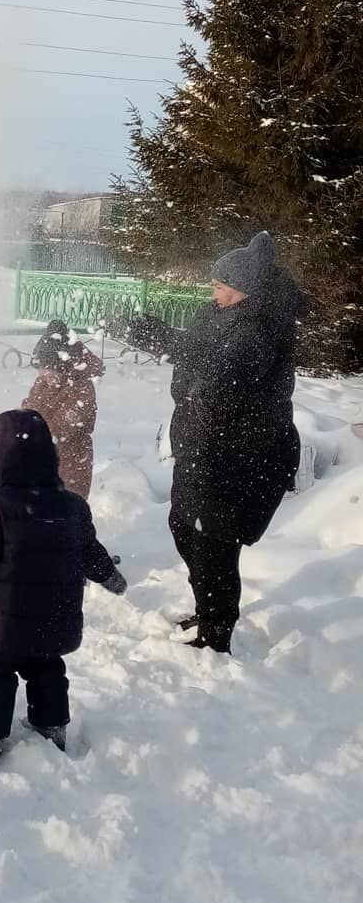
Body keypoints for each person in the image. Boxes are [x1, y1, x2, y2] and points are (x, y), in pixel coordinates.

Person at [123, 232, 306, 653]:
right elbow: (196, 348)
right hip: (205, 448)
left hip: (238, 457)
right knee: (185, 529)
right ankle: (209, 608)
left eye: (221, 286)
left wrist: (165, 348)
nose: (214, 292)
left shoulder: (257, 333)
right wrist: (152, 332)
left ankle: (217, 632)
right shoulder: (223, 317)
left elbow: (220, 372)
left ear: (243, 291)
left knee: (215, 546)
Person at [0, 409, 127, 760]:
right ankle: (52, 727)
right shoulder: (73, 505)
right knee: (48, 669)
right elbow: (90, 551)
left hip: (7, 624)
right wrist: (110, 576)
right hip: (56, 620)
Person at [21, 319, 105, 498]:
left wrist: (32, 433)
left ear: (62, 366)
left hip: (71, 463)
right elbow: (28, 411)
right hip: (42, 465)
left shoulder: (81, 388)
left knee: (67, 513)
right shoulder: (43, 383)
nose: (43, 375)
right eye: (41, 369)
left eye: (47, 369)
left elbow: (64, 426)